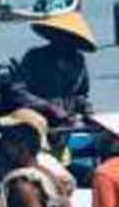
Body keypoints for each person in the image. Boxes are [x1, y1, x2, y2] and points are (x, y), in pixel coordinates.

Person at [16, 11, 96, 161]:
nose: (68, 43)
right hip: (36, 126)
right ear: (54, 36)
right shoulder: (35, 57)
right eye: (64, 38)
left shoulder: (78, 61)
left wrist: (87, 111)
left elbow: (81, 94)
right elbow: (17, 91)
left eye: (73, 40)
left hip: (65, 128)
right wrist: (48, 107)